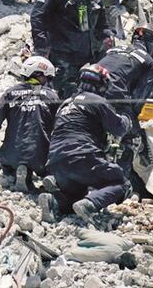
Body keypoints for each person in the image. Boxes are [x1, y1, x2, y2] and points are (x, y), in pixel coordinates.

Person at [39, 65, 131, 224]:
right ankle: (90, 205)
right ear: (101, 84)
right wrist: (127, 117)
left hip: (56, 161)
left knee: (75, 197)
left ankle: (53, 202)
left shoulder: (65, 104)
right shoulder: (97, 101)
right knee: (121, 183)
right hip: (83, 155)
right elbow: (119, 128)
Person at [30, 0, 113, 96]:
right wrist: (42, 50)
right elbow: (37, 18)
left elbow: (100, 13)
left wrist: (106, 35)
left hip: (87, 53)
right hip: (62, 57)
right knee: (59, 98)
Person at [0, 56, 59, 192]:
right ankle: (47, 177)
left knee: (6, 162)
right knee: (49, 167)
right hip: (40, 156)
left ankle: (18, 171)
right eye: (48, 78)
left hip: (11, 154)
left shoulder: (11, 93)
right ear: (40, 76)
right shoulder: (51, 96)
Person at [96, 23, 153, 183]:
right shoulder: (148, 62)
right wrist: (135, 130)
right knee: (131, 138)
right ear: (152, 44)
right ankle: (119, 184)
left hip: (89, 92)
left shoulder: (112, 51)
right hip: (115, 97)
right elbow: (138, 100)